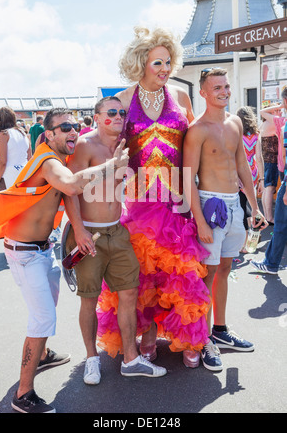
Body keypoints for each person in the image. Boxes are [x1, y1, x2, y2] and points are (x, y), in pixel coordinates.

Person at [0, 107, 129, 413]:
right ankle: (23, 394)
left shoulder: (57, 158)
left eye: (75, 126)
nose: (73, 132)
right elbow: (72, 186)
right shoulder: (49, 161)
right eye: (65, 127)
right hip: (25, 254)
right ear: (48, 134)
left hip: (40, 248)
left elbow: (67, 191)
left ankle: (42, 354)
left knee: (48, 304)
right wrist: (113, 164)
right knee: (42, 319)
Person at [96, 27, 211, 370]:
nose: (164, 68)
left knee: (181, 273)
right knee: (143, 274)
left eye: (168, 61)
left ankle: (189, 338)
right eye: (157, 62)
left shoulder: (181, 97)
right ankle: (146, 336)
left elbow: (194, 145)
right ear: (140, 63)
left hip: (176, 199)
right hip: (138, 201)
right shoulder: (124, 100)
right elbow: (109, 147)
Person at [64, 96, 167, 384]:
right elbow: (70, 190)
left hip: (117, 231)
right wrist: (79, 230)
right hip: (88, 234)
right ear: (96, 117)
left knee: (130, 294)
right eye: (111, 112)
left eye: (122, 112)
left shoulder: (124, 145)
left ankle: (131, 359)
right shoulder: (86, 145)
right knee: (89, 299)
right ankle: (91, 358)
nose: (119, 116)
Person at [183, 67, 268, 371]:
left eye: (226, 86)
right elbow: (187, 180)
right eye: (216, 87)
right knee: (207, 273)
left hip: (235, 205)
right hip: (210, 205)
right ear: (203, 93)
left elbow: (242, 167)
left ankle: (220, 330)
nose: (223, 91)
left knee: (227, 267)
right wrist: (201, 222)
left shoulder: (234, 123)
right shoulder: (197, 130)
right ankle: (203, 339)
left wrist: (255, 207)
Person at [251, 98, 287, 275]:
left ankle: (271, 263)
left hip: (279, 168)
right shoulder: (278, 122)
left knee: (281, 224)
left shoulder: (278, 122)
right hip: (277, 165)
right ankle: (271, 262)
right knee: (270, 190)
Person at [236, 106, 264, 252]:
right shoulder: (256, 135)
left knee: (242, 206)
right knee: (250, 205)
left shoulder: (236, 134)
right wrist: (261, 179)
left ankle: (245, 243)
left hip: (240, 173)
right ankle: (255, 232)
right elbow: (259, 158)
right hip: (252, 173)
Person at [0, 107, 31, 191]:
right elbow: (29, 158)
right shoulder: (23, 133)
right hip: (25, 172)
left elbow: (3, 161)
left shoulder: (3, 134)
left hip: (9, 174)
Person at [259, 103, 283, 224]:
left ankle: (266, 215)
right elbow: (262, 111)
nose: (280, 112)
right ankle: (269, 217)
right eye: (277, 110)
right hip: (272, 159)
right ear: (272, 112)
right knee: (270, 187)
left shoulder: (265, 123)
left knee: (267, 187)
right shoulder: (272, 122)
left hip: (267, 159)